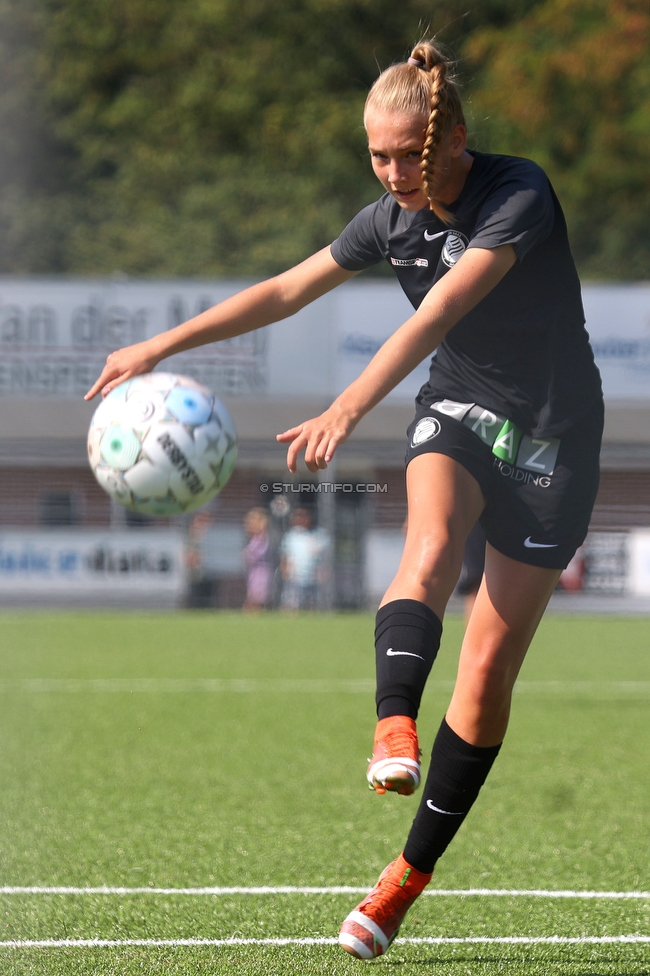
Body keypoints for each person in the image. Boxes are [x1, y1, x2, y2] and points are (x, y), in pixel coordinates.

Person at [85, 38, 603, 960]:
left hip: (555, 441)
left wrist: (348, 406)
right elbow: (288, 288)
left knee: (486, 676)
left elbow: (441, 307)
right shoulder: (388, 221)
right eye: (378, 155)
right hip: (458, 404)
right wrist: (158, 347)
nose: (395, 173)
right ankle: (392, 721)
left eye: (410, 153)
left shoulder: (519, 193)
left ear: (455, 141)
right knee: (430, 546)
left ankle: (405, 880)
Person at [279, 506, 328, 610]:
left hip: (312, 576)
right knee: (290, 604)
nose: (300, 519)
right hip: (294, 576)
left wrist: (323, 571)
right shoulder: (290, 536)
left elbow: (324, 556)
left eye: (303, 516)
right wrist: (285, 570)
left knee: (311, 605)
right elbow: (284, 555)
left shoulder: (319, 534)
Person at [242, 507, 272, 611]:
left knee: (255, 599)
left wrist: (247, 554)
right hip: (253, 573)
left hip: (260, 573)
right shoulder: (253, 539)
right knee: (252, 597)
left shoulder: (262, 538)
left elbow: (255, 554)